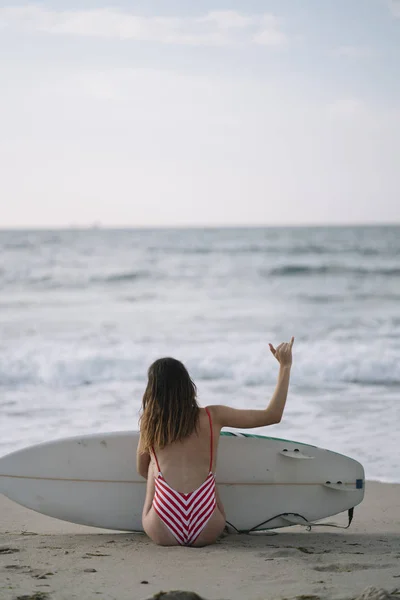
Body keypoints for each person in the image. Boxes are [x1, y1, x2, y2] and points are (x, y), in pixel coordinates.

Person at [136, 337, 294, 547]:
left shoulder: (150, 423)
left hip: (162, 528)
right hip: (208, 526)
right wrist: (285, 366)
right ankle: (205, 502)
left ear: (152, 391)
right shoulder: (213, 416)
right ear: (188, 386)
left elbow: (141, 469)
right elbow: (272, 415)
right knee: (208, 469)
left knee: (153, 466)